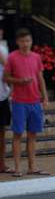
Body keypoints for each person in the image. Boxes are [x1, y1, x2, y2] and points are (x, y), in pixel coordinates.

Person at [3, 27, 49, 177]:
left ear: (31, 41)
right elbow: (6, 78)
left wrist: (45, 97)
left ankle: (32, 166)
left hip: (35, 101)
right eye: (22, 41)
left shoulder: (36, 57)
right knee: (17, 134)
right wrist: (19, 81)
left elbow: (40, 78)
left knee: (32, 134)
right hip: (19, 102)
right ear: (17, 42)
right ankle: (17, 168)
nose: (25, 43)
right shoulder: (12, 57)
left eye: (28, 40)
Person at [0, 23, 12, 174]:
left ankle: (2, 163)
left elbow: (9, 72)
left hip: (2, 97)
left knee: (2, 132)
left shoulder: (3, 50)